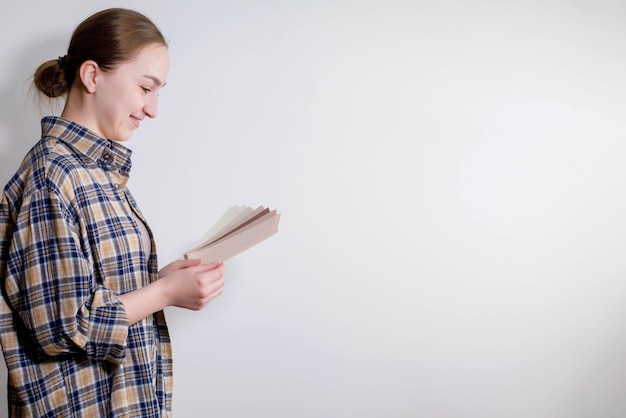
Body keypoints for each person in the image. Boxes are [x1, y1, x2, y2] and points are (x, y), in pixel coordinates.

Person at [0, 8, 225, 417]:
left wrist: (157, 281)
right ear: (91, 76)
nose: (153, 109)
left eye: (159, 92)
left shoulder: (95, 172)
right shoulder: (54, 175)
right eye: (145, 88)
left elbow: (90, 289)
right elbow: (62, 326)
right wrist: (164, 294)